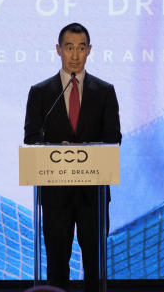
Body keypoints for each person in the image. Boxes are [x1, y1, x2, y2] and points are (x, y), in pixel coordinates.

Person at [24, 22, 121, 292]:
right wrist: (56, 146)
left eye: (81, 48)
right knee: (57, 265)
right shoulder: (41, 93)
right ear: (58, 50)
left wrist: (86, 149)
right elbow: (31, 137)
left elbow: (114, 137)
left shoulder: (105, 91)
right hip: (56, 193)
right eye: (69, 48)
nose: (75, 55)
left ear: (89, 50)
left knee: (94, 265)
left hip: (94, 194)